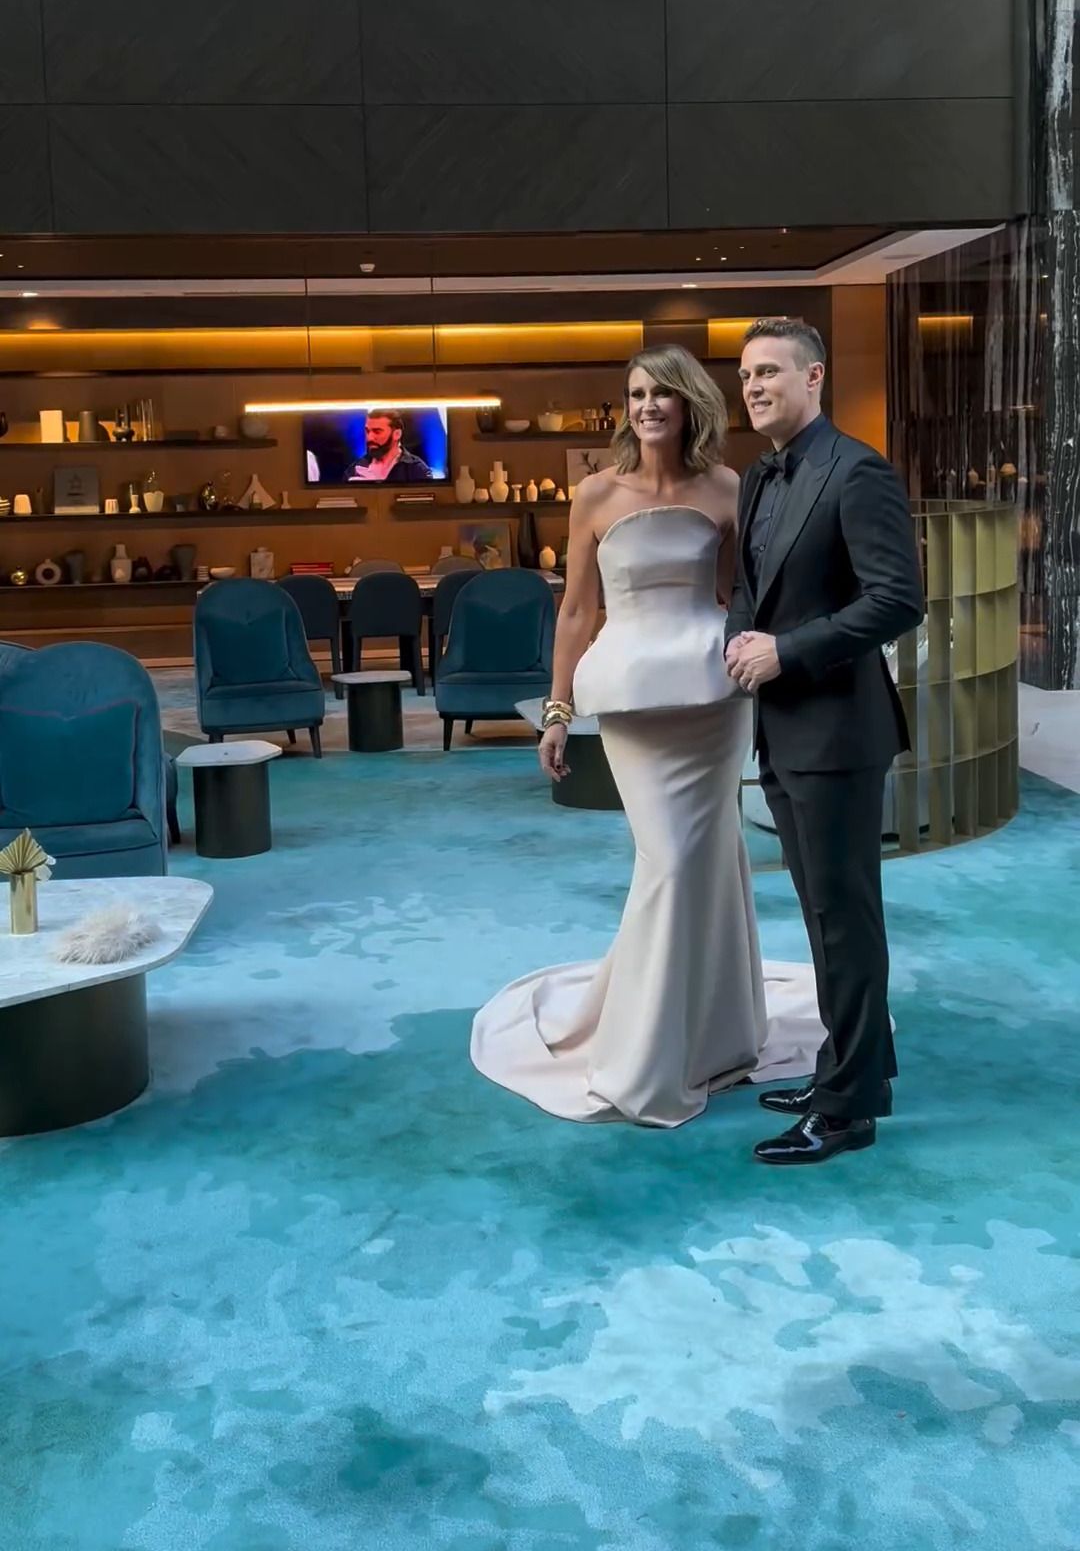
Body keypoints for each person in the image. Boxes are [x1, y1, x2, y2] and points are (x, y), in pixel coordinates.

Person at [470, 344, 822, 1130]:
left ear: (690, 403)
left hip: (711, 694)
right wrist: (557, 710)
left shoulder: (729, 487)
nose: (647, 406)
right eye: (635, 394)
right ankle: (647, 1054)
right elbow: (576, 611)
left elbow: (740, 597)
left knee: (711, 856)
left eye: (661, 393)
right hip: (631, 697)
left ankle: (716, 1036)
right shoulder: (596, 493)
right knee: (669, 859)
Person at [725, 318, 924, 1167]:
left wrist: (787, 651)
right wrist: (740, 641)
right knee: (822, 914)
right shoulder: (758, 477)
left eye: (770, 371)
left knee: (845, 921)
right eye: (746, 375)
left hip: (840, 728)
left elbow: (898, 599)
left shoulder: (857, 469)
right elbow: (750, 587)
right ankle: (852, 1069)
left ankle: (847, 1112)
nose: (754, 386)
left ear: (814, 378)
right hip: (781, 726)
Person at [346, 411, 433, 484]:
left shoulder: (416, 469)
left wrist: (377, 486)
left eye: (377, 431)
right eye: (367, 431)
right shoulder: (356, 468)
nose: (370, 438)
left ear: (397, 434)